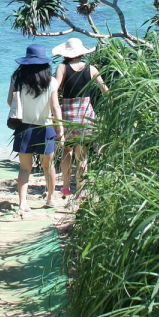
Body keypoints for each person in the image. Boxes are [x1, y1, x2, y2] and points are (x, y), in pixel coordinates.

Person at [7, 43, 64, 216]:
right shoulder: (51, 81)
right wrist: (60, 130)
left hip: (24, 127)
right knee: (49, 166)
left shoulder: (17, 79)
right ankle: (50, 199)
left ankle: (22, 203)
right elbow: (55, 106)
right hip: (45, 128)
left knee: (25, 168)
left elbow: (10, 101)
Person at [52, 37, 108, 199]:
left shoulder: (62, 67)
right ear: (81, 52)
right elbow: (105, 90)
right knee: (82, 154)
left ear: (66, 53)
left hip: (67, 114)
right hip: (86, 114)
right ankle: (79, 190)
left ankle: (65, 187)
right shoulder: (92, 69)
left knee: (66, 152)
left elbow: (54, 88)